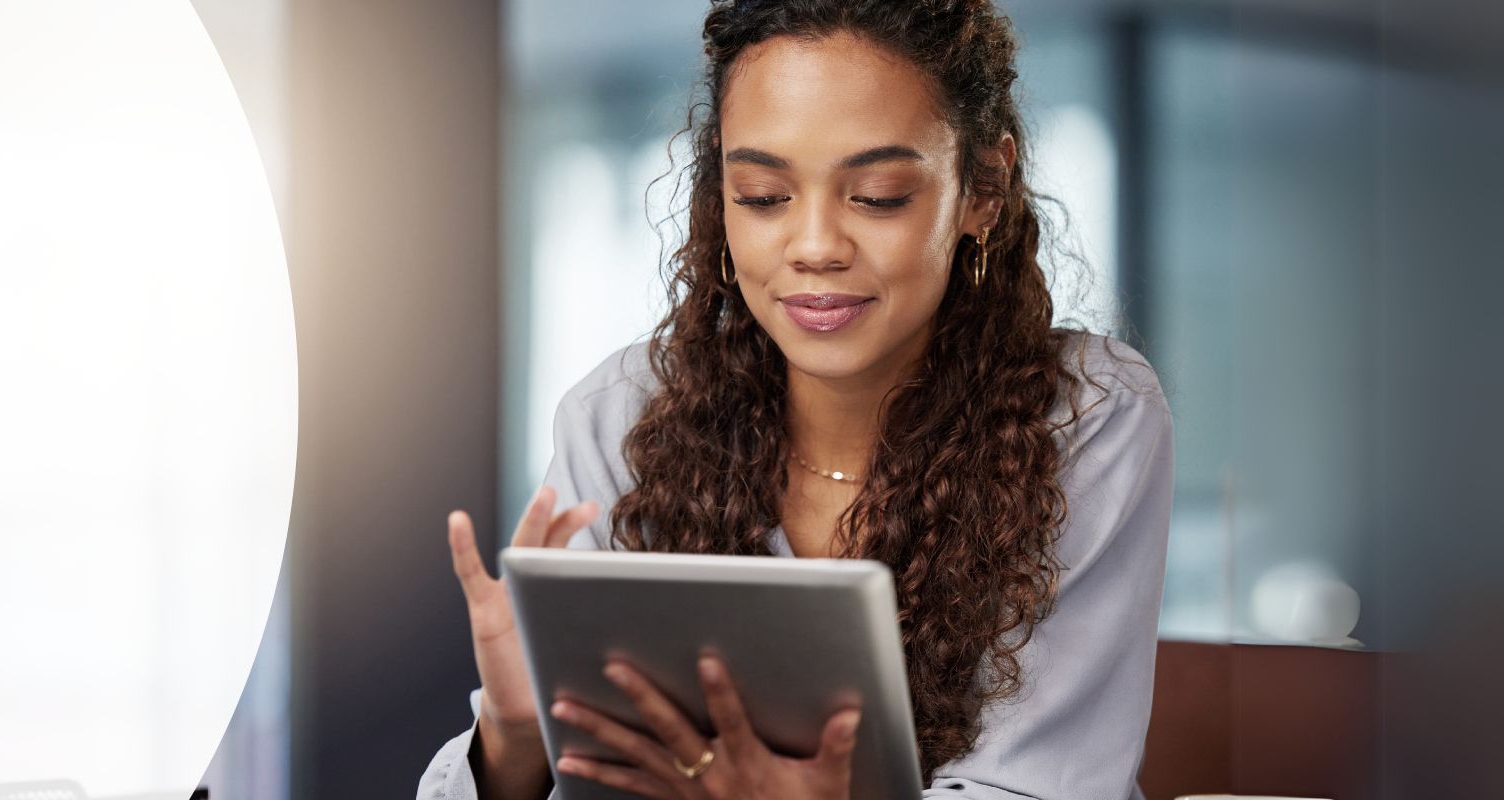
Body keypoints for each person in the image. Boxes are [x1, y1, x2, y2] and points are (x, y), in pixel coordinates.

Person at [417, 1, 1173, 798]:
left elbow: (1039, 787)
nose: (814, 247)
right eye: (763, 195)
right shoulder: (621, 415)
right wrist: (514, 734)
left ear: (983, 188)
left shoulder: (1086, 419)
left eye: (877, 195)